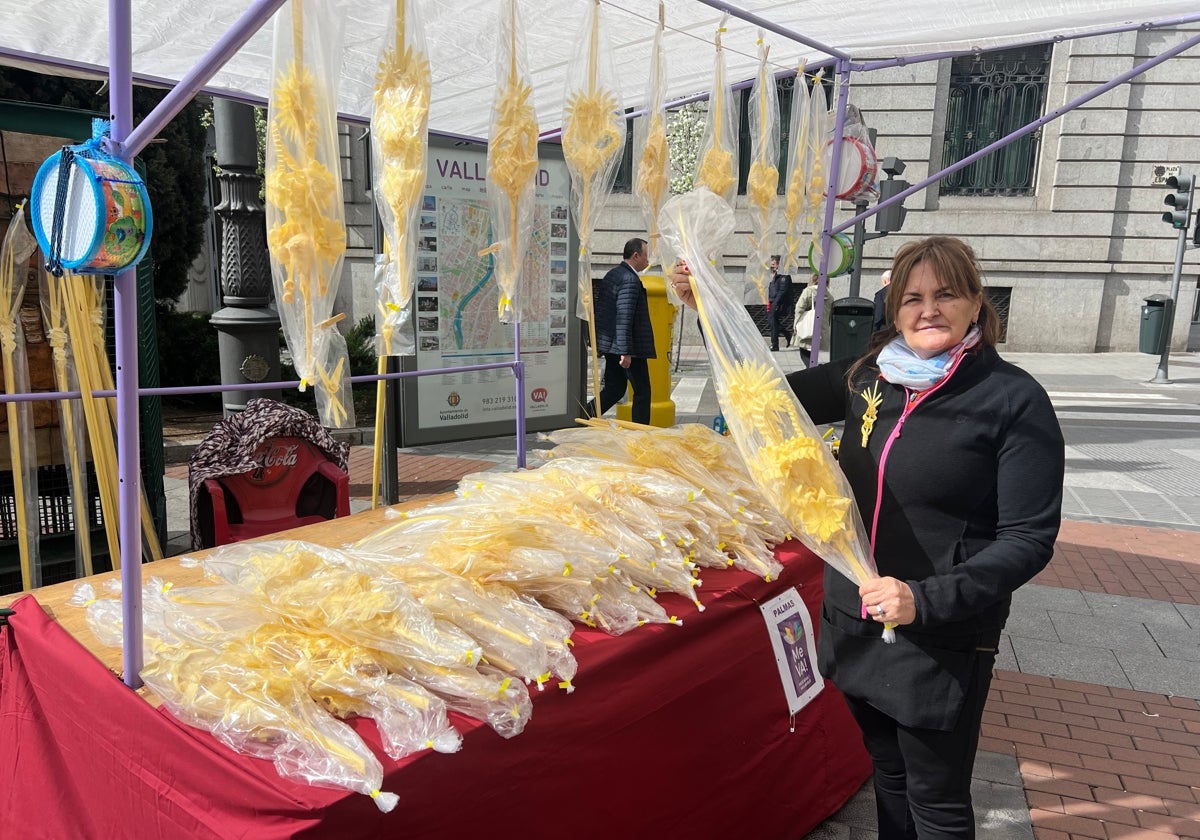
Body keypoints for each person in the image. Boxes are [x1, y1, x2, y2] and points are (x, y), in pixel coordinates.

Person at [672, 236, 1064, 839]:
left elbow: (1028, 538)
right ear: (893, 307)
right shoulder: (867, 375)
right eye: (912, 298)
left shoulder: (1012, 401)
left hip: (939, 636)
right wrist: (711, 311)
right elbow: (762, 395)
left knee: (936, 798)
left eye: (946, 294)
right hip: (854, 616)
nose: (928, 310)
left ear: (976, 302)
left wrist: (924, 599)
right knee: (888, 772)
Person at [587, 236, 655, 424]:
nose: (648, 260)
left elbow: (603, 312)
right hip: (629, 348)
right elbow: (624, 316)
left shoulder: (613, 274)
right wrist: (625, 351)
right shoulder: (630, 280)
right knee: (642, 391)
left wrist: (605, 346)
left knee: (614, 389)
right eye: (646, 255)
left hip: (612, 346)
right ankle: (640, 434)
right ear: (635, 256)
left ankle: (585, 414)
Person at [792, 273, 834, 367]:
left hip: (807, 326)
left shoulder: (808, 291)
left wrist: (795, 325)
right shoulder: (830, 296)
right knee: (813, 353)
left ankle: (812, 370)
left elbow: (799, 308)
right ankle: (813, 369)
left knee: (804, 352)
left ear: (813, 280)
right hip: (821, 329)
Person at [767, 256, 794, 351]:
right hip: (772, 301)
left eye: (773, 264)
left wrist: (775, 303)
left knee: (773, 321)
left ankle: (774, 345)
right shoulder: (775, 275)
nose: (772, 266)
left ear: (779, 264)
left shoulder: (784, 276)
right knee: (772, 322)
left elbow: (782, 291)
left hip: (779, 303)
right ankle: (787, 334)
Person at [873, 269, 892, 333]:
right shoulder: (903, 291)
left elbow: (878, 316)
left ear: (885, 281)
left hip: (885, 329)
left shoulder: (880, 294)